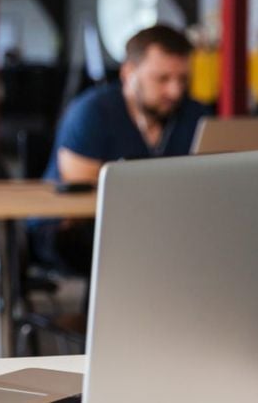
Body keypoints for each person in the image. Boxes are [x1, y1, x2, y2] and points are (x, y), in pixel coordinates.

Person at [35, 24, 206, 273]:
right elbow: (84, 200)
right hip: (71, 227)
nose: (175, 91)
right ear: (128, 73)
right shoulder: (91, 112)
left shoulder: (194, 114)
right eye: (162, 79)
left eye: (182, 79)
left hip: (159, 223)